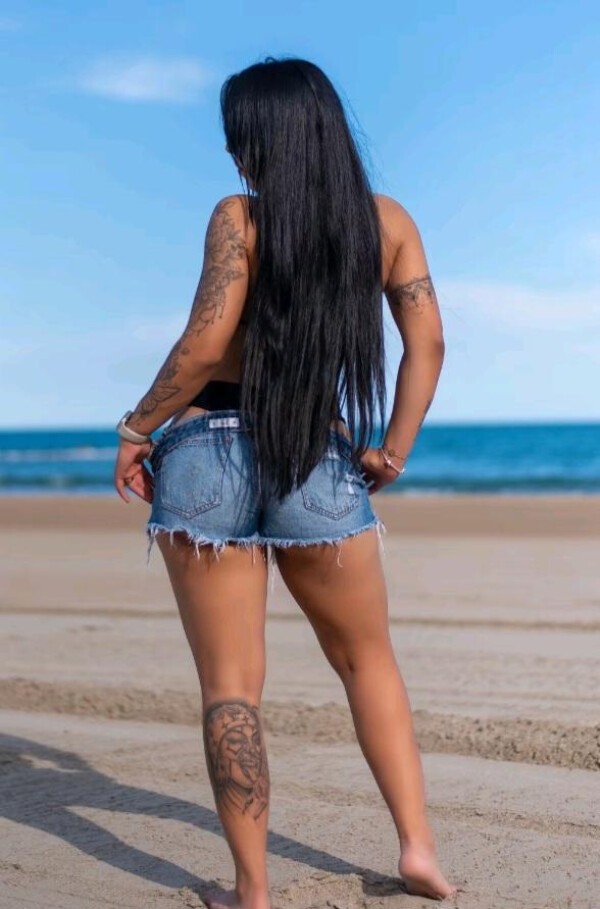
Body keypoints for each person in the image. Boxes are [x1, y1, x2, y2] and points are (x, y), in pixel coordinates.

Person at [113, 57, 455, 909]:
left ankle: (253, 890)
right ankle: (417, 849)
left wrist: (137, 428)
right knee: (367, 660)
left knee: (232, 686)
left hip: (208, 453)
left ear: (263, 142)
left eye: (240, 138)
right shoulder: (387, 223)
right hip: (319, 454)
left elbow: (205, 344)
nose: (234, 156)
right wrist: (392, 452)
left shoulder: (239, 217)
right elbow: (428, 344)